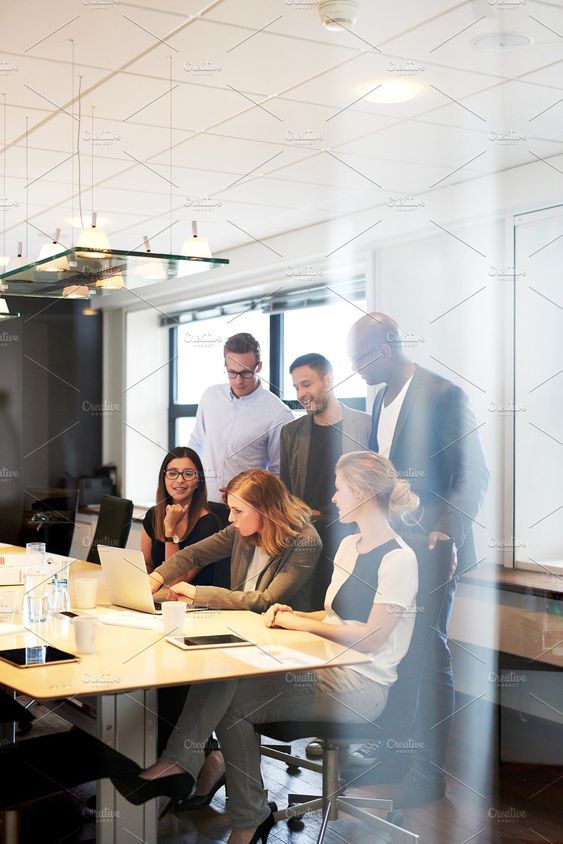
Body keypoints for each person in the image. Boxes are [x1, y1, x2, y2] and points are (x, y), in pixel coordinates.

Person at [112, 451, 419, 844]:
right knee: (227, 683)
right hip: (326, 666)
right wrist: (296, 614)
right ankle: (238, 808)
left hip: (361, 686)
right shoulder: (350, 547)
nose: (335, 497)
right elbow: (332, 618)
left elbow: (373, 637)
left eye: (340, 489)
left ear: (361, 493)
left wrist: (292, 620)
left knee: (234, 702)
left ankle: (214, 793)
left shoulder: (399, 560)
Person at [347, 312, 490, 807]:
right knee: (393, 650)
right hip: (392, 548)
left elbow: (474, 475)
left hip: (433, 547)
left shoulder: (442, 394)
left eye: (361, 360)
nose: (358, 371)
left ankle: (429, 773)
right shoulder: (381, 395)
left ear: (386, 348)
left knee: (428, 652)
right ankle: (394, 756)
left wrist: (446, 533)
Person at [148, 467, 322, 810]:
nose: (231, 518)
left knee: (222, 677)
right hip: (244, 637)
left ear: (265, 510)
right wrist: (156, 576)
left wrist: (197, 593)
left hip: (284, 645)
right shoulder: (242, 530)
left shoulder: (305, 540)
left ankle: (186, 763)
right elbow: (193, 554)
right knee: (211, 670)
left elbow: (265, 601)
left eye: (238, 511)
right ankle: (195, 768)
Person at [189, 332, 293, 501]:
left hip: (247, 510)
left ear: (258, 367)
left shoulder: (279, 413)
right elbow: (197, 443)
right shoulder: (210, 396)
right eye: (231, 372)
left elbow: (278, 473)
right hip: (202, 504)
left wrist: (248, 495)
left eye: (245, 373)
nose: (238, 381)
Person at [141, 446, 229, 589]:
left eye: (188, 474)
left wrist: (170, 530)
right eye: (172, 473)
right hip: (159, 599)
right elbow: (148, 564)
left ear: (198, 481)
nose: (180, 480)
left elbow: (176, 581)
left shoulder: (209, 523)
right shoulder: (153, 515)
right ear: (163, 478)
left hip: (191, 605)